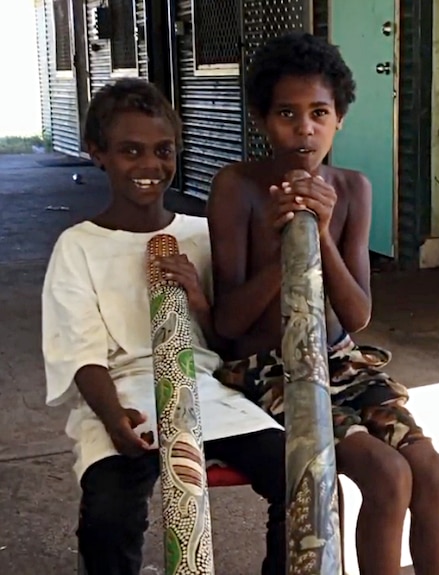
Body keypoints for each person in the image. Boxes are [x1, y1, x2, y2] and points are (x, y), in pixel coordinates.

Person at [206, 32, 439, 575]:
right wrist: (284, 250)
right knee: (386, 475)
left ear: (339, 117)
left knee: (433, 475)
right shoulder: (237, 188)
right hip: (271, 372)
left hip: (343, 362)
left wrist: (318, 235)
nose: (304, 128)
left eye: (319, 112)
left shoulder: (353, 189)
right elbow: (227, 324)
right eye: (286, 113)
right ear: (261, 119)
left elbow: (358, 314)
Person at [41, 78, 287, 575]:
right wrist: (114, 419)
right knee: (108, 517)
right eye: (130, 151)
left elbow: (228, 340)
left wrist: (199, 300)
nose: (150, 166)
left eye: (162, 150)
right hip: (124, 400)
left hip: (209, 396)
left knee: (301, 479)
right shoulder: (78, 246)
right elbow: (82, 353)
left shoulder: (200, 234)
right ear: (98, 154)